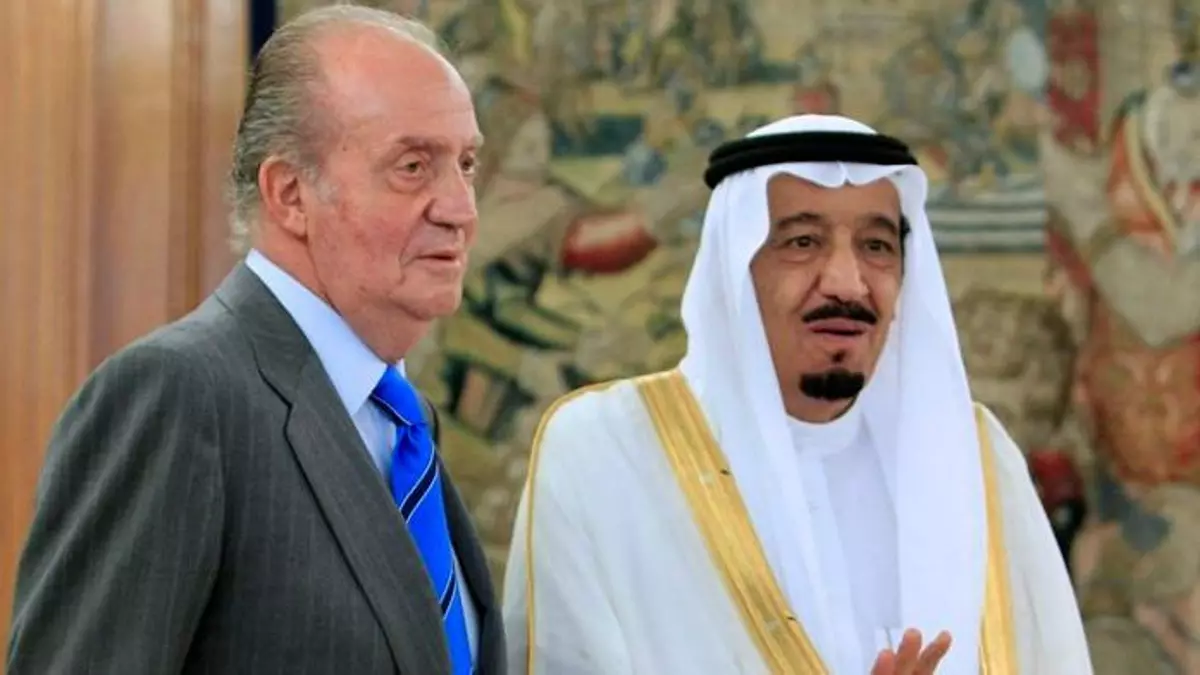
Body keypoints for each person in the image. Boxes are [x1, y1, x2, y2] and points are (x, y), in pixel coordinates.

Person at [6, 6, 504, 674]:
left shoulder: (402, 426)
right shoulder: (177, 396)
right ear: (290, 194)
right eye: (413, 166)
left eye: (465, 164)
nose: (461, 209)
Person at [502, 114, 1093, 674]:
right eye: (803, 242)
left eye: (877, 246)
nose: (847, 283)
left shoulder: (974, 455)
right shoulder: (606, 453)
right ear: (735, 269)